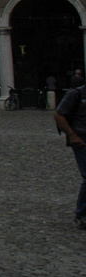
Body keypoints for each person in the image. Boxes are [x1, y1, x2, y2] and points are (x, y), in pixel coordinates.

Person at [54, 72, 86, 230]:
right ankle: (82, 214)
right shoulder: (76, 93)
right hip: (81, 140)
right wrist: (72, 135)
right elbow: (59, 115)